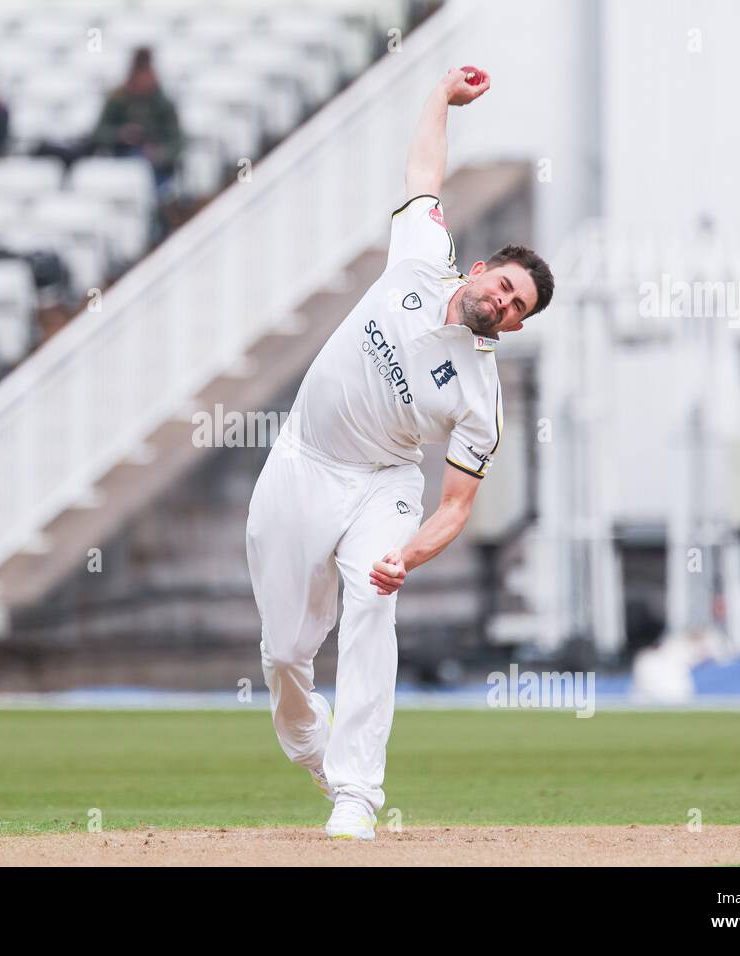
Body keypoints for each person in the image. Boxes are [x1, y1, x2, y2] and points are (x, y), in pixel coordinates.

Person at [245, 67, 554, 841]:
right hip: (300, 461)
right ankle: (315, 749)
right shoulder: (420, 258)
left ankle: (357, 794)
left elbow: (455, 507)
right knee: (284, 654)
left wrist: (407, 558)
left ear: (514, 327)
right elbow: (424, 173)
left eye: (518, 308)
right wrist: (438, 99)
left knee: (372, 604)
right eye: (507, 286)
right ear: (480, 270)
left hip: (382, 487)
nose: (505, 303)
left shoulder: (482, 394)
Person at [91, 47, 182, 193]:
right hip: (121, 162)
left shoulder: (163, 105)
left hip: (156, 168)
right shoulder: (118, 100)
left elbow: (177, 142)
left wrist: (159, 154)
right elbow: (97, 133)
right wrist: (121, 135)